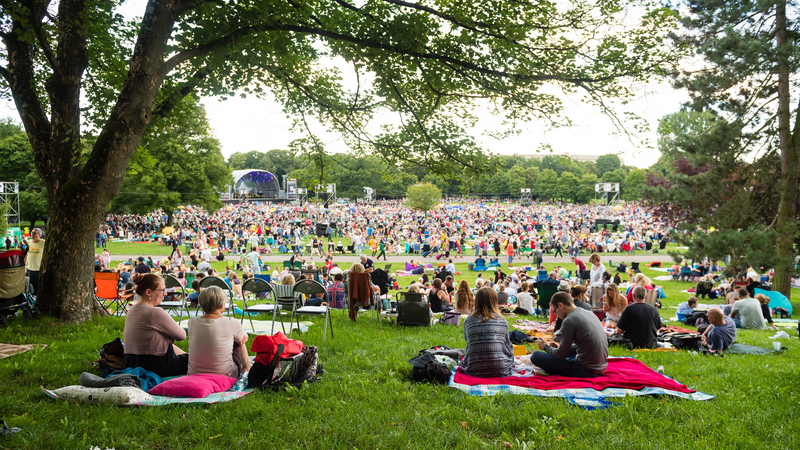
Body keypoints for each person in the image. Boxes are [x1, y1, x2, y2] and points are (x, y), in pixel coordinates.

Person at [122, 273, 188, 377]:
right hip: (155, 365)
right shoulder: (155, 312)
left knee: (184, 354)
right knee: (198, 360)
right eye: (162, 290)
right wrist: (168, 337)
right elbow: (182, 335)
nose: (165, 294)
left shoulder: (132, 310)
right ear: (149, 292)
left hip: (131, 362)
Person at [531, 292, 608, 377]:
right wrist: (559, 348)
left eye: (555, 311)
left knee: (535, 356)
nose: (557, 316)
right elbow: (585, 346)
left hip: (586, 369)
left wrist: (545, 347)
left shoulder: (569, 320)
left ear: (560, 306)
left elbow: (561, 355)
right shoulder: (588, 313)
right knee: (559, 352)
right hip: (601, 367)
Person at [187, 286, 251, 378]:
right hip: (225, 374)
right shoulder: (231, 322)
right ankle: (247, 367)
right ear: (222, 305)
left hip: (194, 373)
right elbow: (242, 340)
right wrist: (244, 334)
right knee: (239, 341)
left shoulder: (191, 322)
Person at [460, 288, 514, 378]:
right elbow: (506, 347)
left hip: (473, 368)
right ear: (494, 301)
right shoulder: (502, 321)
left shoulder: (468, 321)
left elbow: (468, 342)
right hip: (501, 368)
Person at [22, 228, 44, 295]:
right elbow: (26, 254)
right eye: (32, 232)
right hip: (30, 268)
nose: (32, 234)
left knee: (39, 287)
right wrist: (24, 265)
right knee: (31, 287)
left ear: (39, 235)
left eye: (35, 233)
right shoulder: (29, 242)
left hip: (39, 269)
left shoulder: (43, 243)